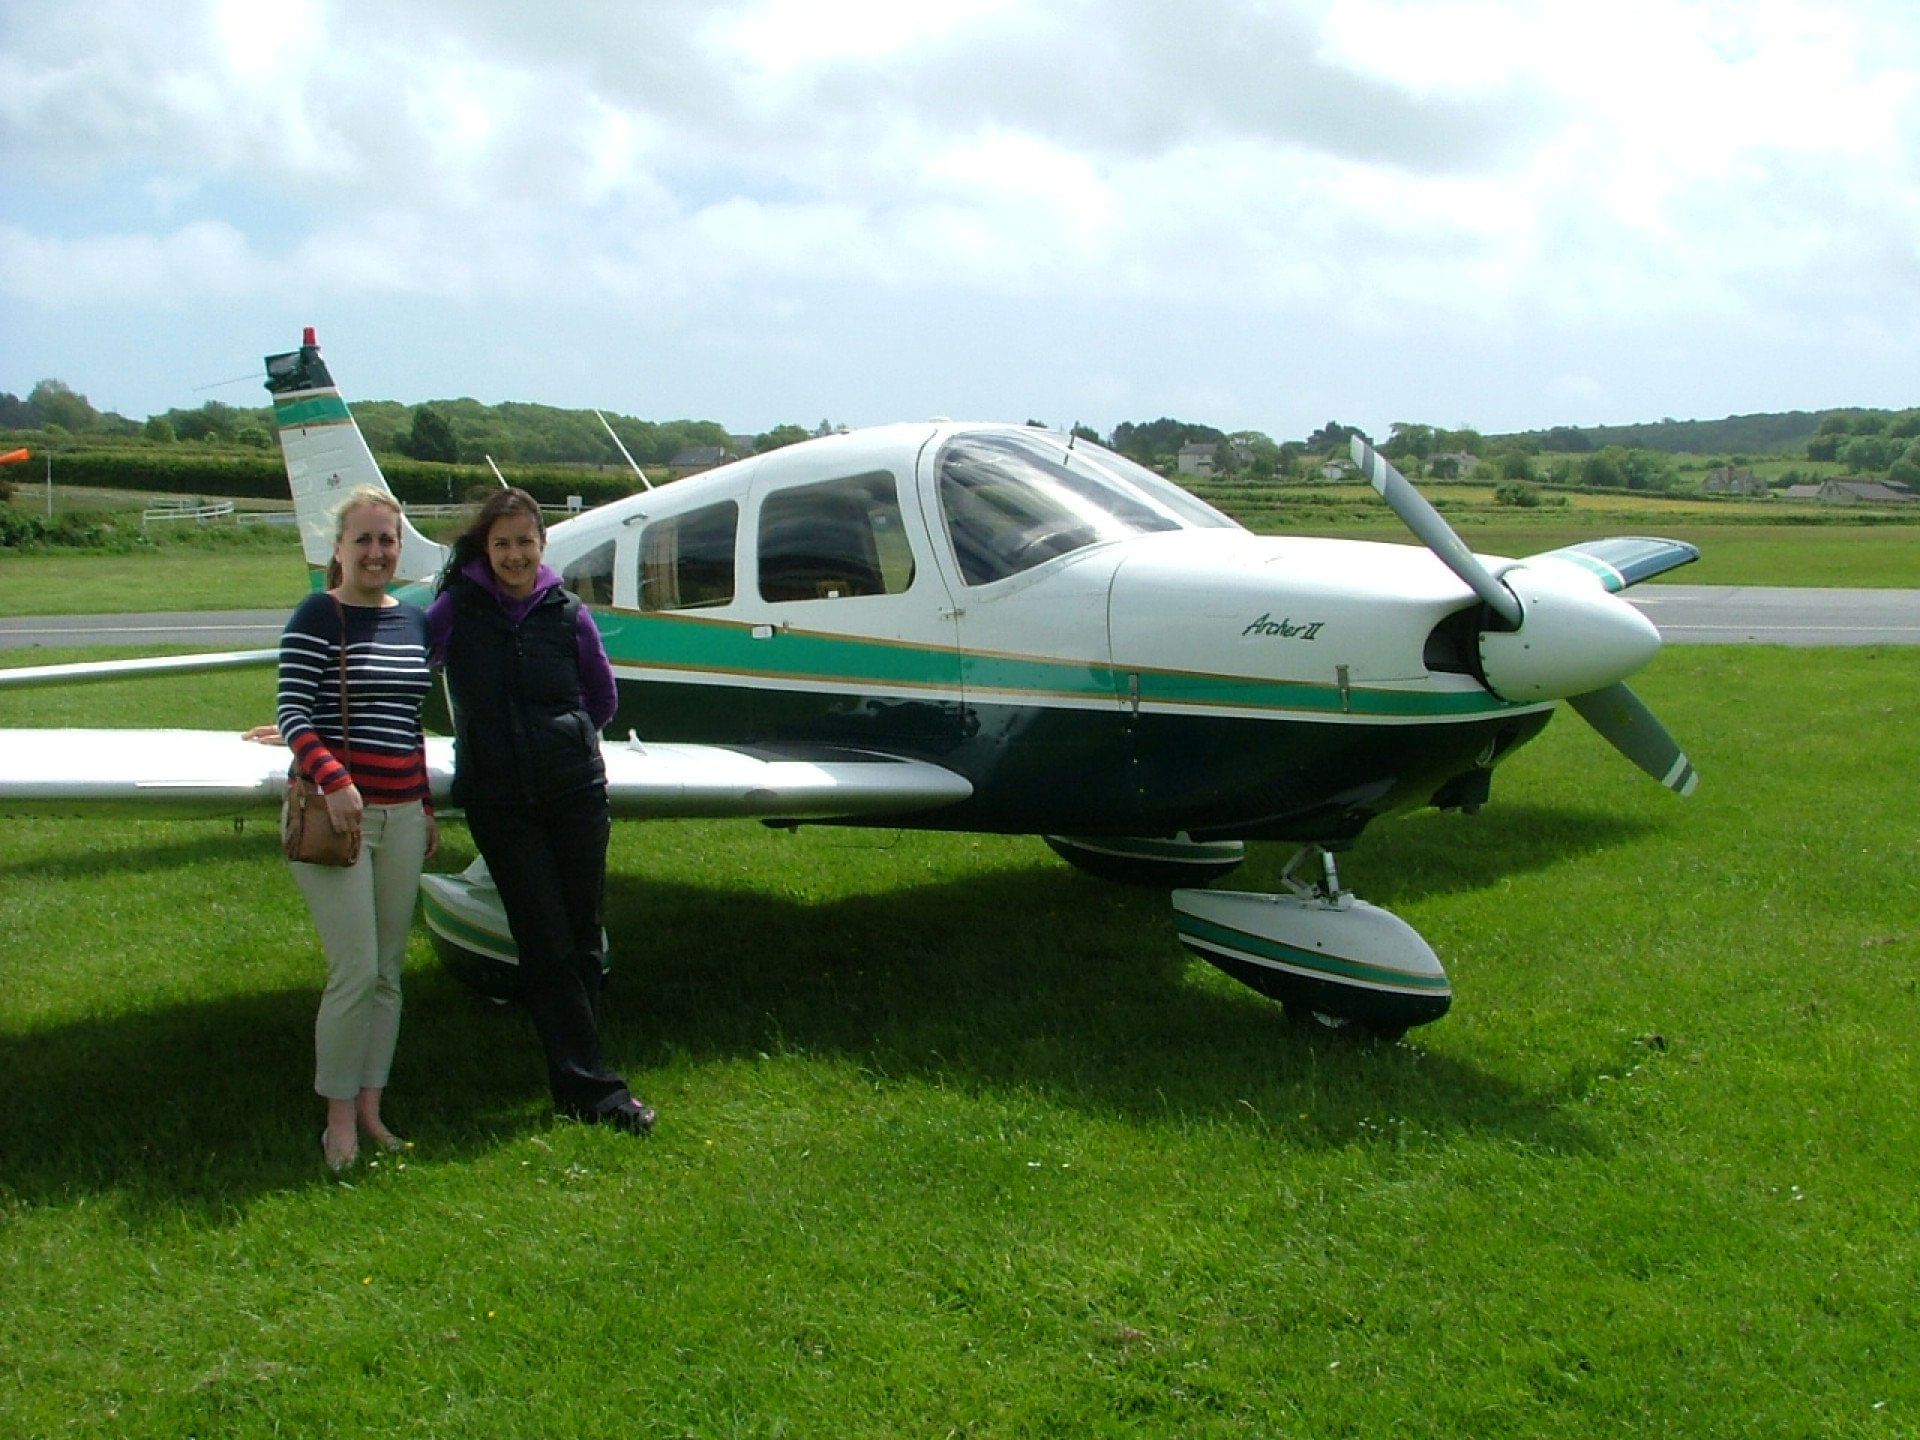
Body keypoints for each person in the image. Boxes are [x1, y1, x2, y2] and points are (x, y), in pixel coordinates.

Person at [427, 487, 655, 1136]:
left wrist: (567, 739)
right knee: (547, 943)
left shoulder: (567, 612)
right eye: (502, 544)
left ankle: (581, 1069)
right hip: (501, 802)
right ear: (486, 548)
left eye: (525, 542)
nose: (515, 554)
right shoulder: (456, 610)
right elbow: (400, 664)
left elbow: (601, 697)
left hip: (575, 793)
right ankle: (594, 1090)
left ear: (542, 544)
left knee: (584, 940)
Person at [275, 485, 438, 1173]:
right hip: (338, 819)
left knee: (390, 973)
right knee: (355, 969)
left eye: (388, 540)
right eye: (364, 540)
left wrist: (425, 805)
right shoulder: (319, 614)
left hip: (403, 817)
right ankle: (336, 1117)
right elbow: (292, 713)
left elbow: (411, 725)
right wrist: (335, 779)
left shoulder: (414, 623)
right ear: (338, 551)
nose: (377, 552)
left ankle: (372, 1103)